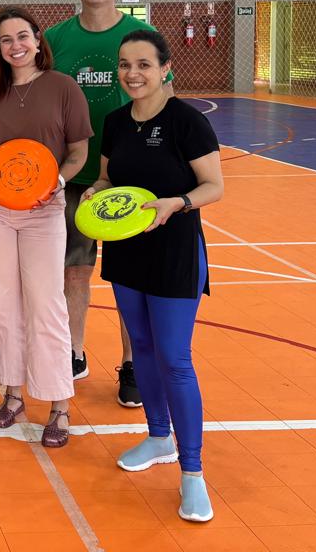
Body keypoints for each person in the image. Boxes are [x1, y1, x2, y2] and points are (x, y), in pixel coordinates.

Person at [82, 28, 223, 522]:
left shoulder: (187, 121)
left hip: (174, 252)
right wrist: (96, 191)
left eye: (143, 64)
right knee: (140, 347)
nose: (132, 73)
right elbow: (109, 177)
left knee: (175, 359)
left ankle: (192, 473)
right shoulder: (116, 122)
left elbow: (213, 186)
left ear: (165, 68)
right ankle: (159, 436)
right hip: (127, 251)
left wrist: (176, 203)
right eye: (125, 65)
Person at [43, 0, 170, 407]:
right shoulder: (55, 39)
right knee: (74, 270)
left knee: (129, 279)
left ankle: (131, 364)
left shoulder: (142, 34)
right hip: (75, 175)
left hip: (130, 180)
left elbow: (165, 102)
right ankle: (74, 353)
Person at [0, 7, 90, 447]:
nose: (15, 46)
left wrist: (59, 181)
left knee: (47, 302)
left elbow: (78, 152)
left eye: (22, 36)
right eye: (5, 40)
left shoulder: (63, 88)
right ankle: (13, 394)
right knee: (3, 300)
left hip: (44, 207)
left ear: (37, 40)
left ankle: (59, 404)